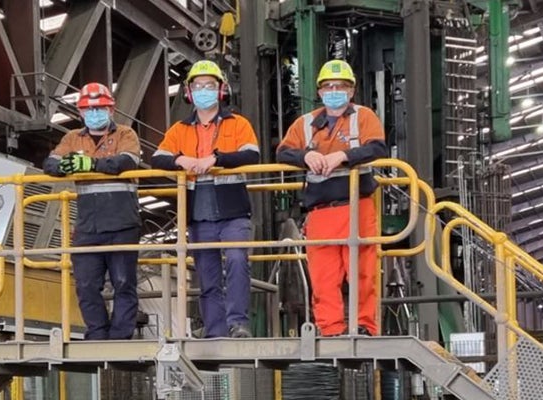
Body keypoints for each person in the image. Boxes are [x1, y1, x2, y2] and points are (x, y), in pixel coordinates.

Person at [276, 59, 387, 336]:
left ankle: (364, 325)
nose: (334, 90)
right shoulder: (305, 124)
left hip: (357, 207)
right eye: (328, 86)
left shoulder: (363, 117)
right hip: (321, 211)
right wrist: (306, 155)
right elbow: (283, 152)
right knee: (324, 275)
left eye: (340, 86)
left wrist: (344, 155)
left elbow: (377, 147)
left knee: (362, 272)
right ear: (320, 91)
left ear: (351, 91)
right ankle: (331, 328)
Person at [151, 60, 259, 338]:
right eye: (198, 86)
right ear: (189, 92)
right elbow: (157, 158)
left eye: (209, 85)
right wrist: (181, 160)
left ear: (221, 90)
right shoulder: (179, 130)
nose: (203, 90)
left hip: (233, 211)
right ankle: (216, 331)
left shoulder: (238, 124)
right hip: (198, 214)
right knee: (207, 275)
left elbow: (251, 154)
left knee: (236, 260)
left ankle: (238, 324)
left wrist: (217, 158)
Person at [43, 82, 142, 340]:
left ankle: (120, 335)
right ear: (80, 112)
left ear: (111, 109)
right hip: (89, 226)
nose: (95, 112)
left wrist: (90, 163)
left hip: (122, 222)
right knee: (86, 283)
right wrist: (67, 164)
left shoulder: (125, 134)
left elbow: (126, 161)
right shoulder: (72, 138)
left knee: (123, 281)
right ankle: (97, 333)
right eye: (89, 108)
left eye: (100, 108)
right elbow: (50, 164)